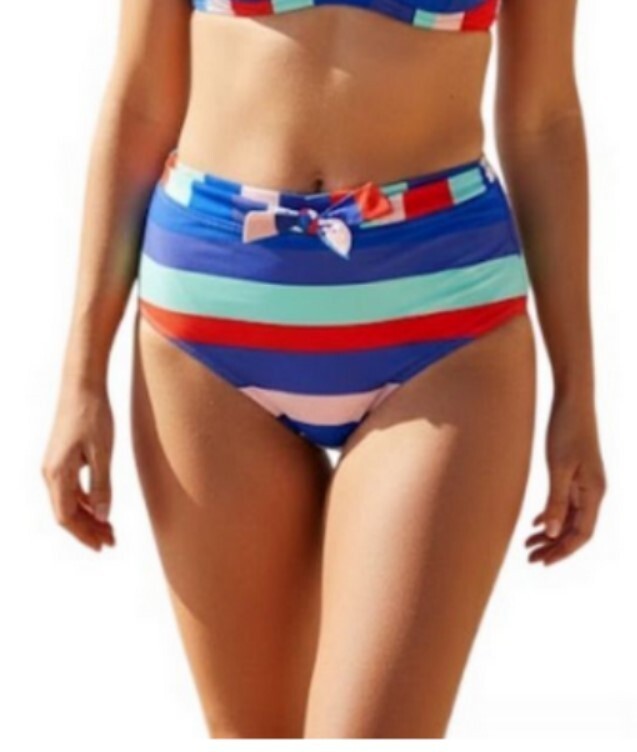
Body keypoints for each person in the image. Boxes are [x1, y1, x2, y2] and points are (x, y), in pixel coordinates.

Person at [41, 0, 607, 739]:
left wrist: (578, 391)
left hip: (444, 323)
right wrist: (81, 375)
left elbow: (543, 120)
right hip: (209, 322)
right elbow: (141, 97)